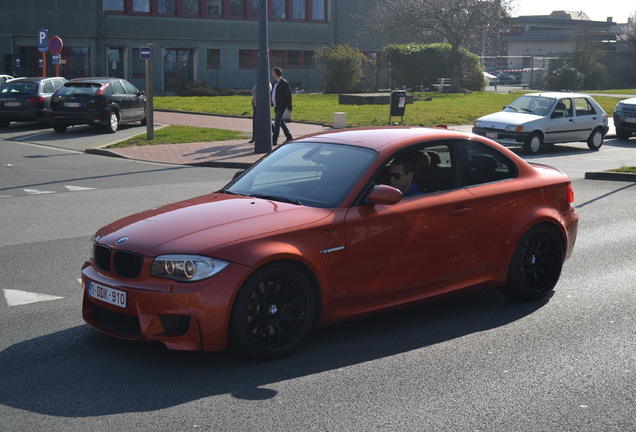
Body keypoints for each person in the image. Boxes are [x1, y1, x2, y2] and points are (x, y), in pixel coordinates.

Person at [271, 67, 293, 145]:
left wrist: (290, 107)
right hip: (276, 106)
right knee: (281, 122)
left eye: (273, 72)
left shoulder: (284, 83)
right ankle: (289, 136)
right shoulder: (274, 84)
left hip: (282, 106)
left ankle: (274, 140)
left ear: (276, 73)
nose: (272, 73)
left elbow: (288, 96)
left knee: (277, 122)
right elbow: (273, 94)